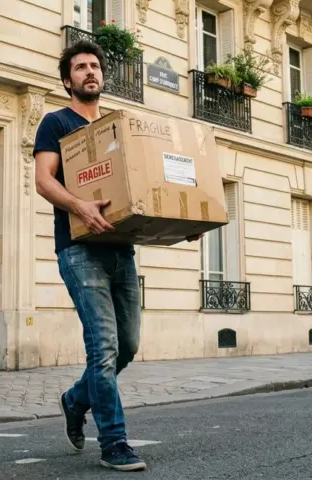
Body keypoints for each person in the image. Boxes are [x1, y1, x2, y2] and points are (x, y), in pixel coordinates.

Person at [32, 40, 200, 471]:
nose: (90, 71)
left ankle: (75, 399)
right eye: (80, 67)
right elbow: (44, 180)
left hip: (120, 250)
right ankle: (114, 442)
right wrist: (79, 206)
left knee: (127, 346)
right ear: (67, 80)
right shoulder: (56, 122)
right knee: (104, 347)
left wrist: (181, 221)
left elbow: (145, 186)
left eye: (95, 66)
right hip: (79, 251)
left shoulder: (116, 127)